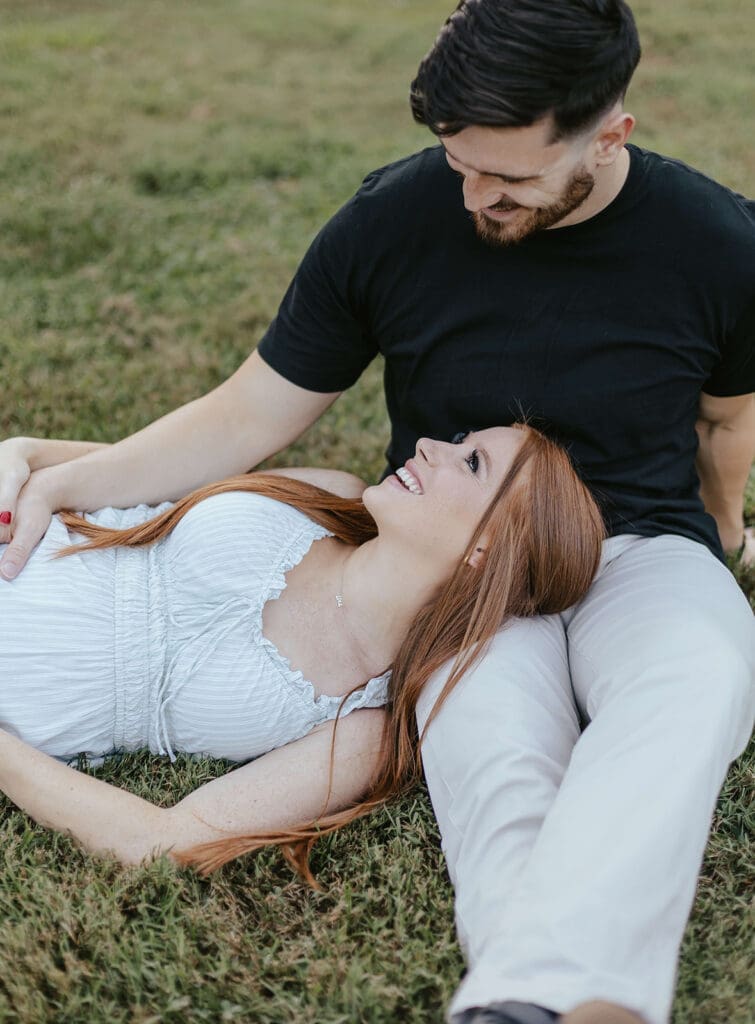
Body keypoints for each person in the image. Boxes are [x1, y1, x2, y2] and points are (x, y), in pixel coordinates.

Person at [0, 1, 752, 1023]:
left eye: (510, 177)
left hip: (641, 543)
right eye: (459, 164)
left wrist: (720, 532)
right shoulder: (393, 220)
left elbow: (724, 421)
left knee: (695, 681)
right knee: (485, 749)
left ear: (606, 135)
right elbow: (247, 413)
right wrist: (54, 474)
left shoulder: (713, 239)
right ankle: (527, 998)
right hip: (456, 561)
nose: (476, 195)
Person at [0, 426, 604, 883]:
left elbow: (162, 841)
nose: (426, 444)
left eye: (470, 463)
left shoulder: (363, 729)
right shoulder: (330, 497)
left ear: (485, 553)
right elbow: (136, 471)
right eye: (459, 440)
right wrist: (26, 455)